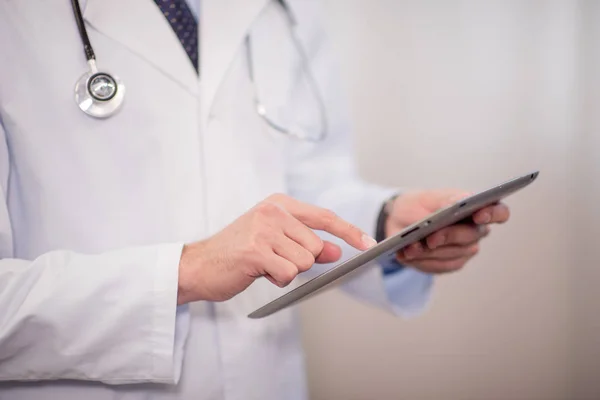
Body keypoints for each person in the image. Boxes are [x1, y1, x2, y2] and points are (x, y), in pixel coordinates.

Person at [0, 0, 510, 399]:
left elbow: (303, 182)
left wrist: (387, 222)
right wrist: (187, 271)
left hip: (264, 377)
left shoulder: (285, 8)